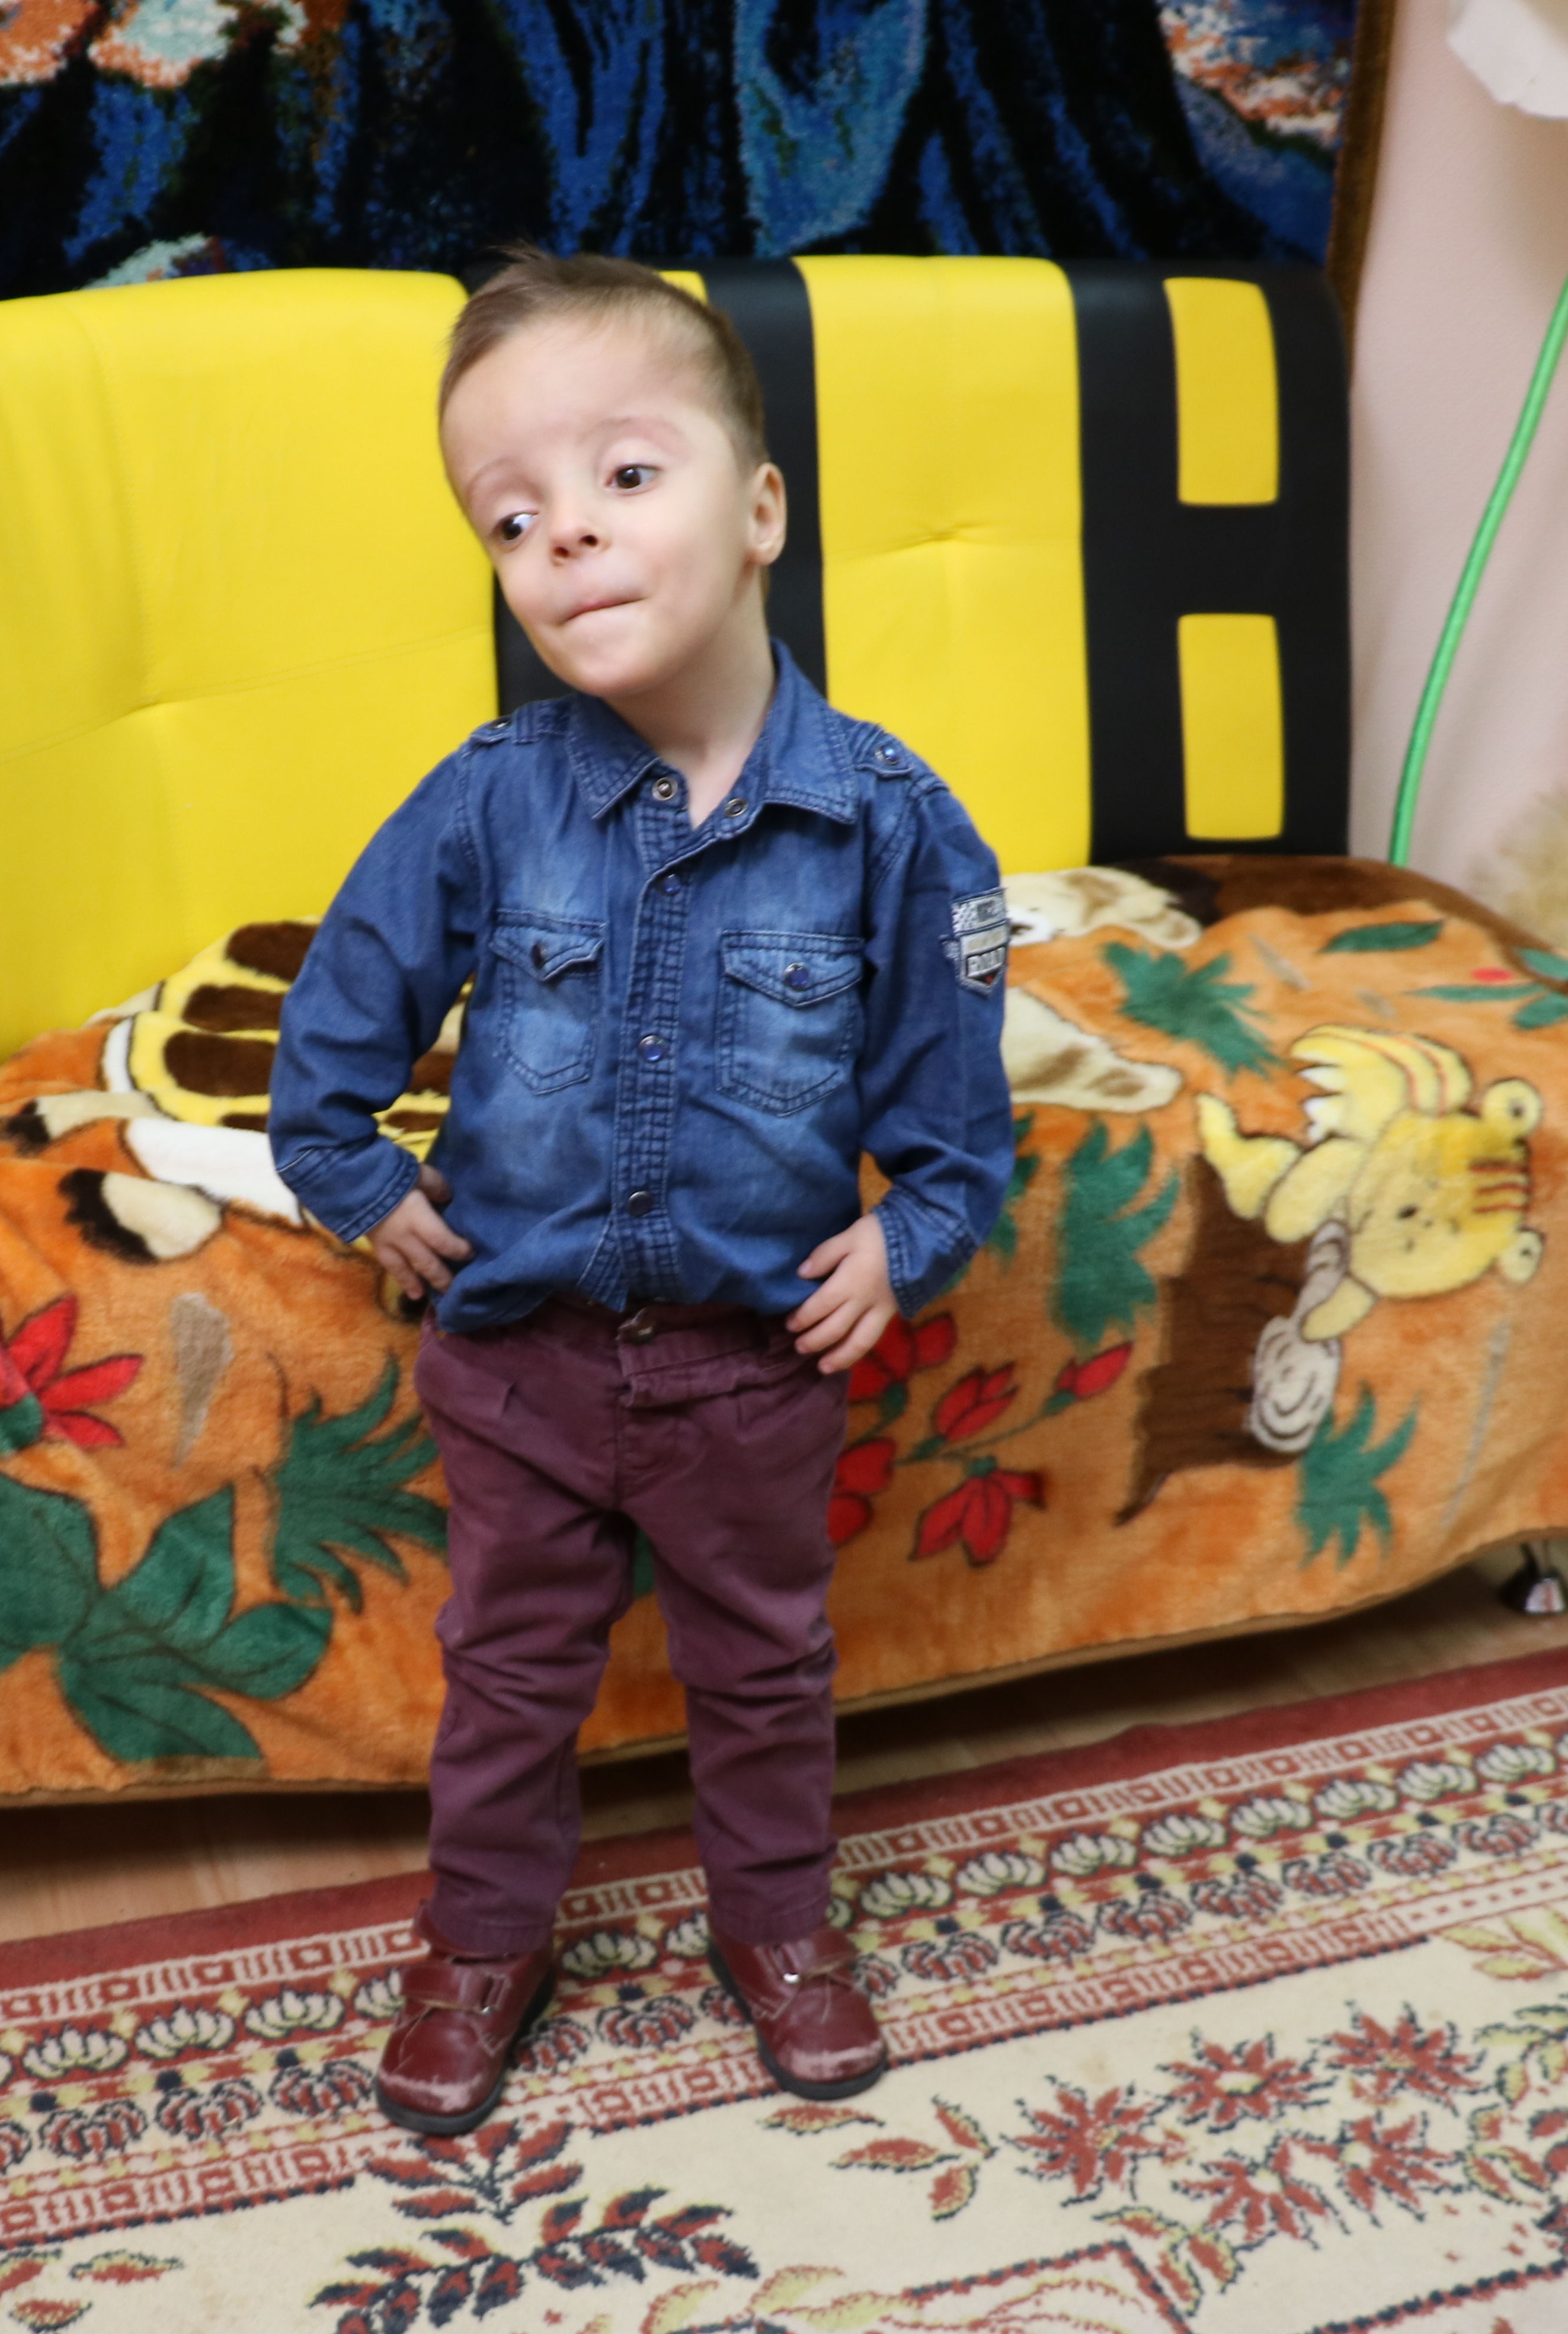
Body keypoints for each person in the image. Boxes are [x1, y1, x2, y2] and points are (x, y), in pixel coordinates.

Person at [268, 252, 1015, 2136]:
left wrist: (905, 1239)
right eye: (511, 519)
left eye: (621, 477)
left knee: (765, 1672)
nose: (567, 541)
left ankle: (778, 1926)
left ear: (760, 511)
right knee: (508, 1678)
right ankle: (480, 1943)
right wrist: (356, 1179)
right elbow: (333, 1030)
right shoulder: (486, 798)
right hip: (520, 1361)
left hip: (749, 1371)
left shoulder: (896, 823)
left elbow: (954, 1132)